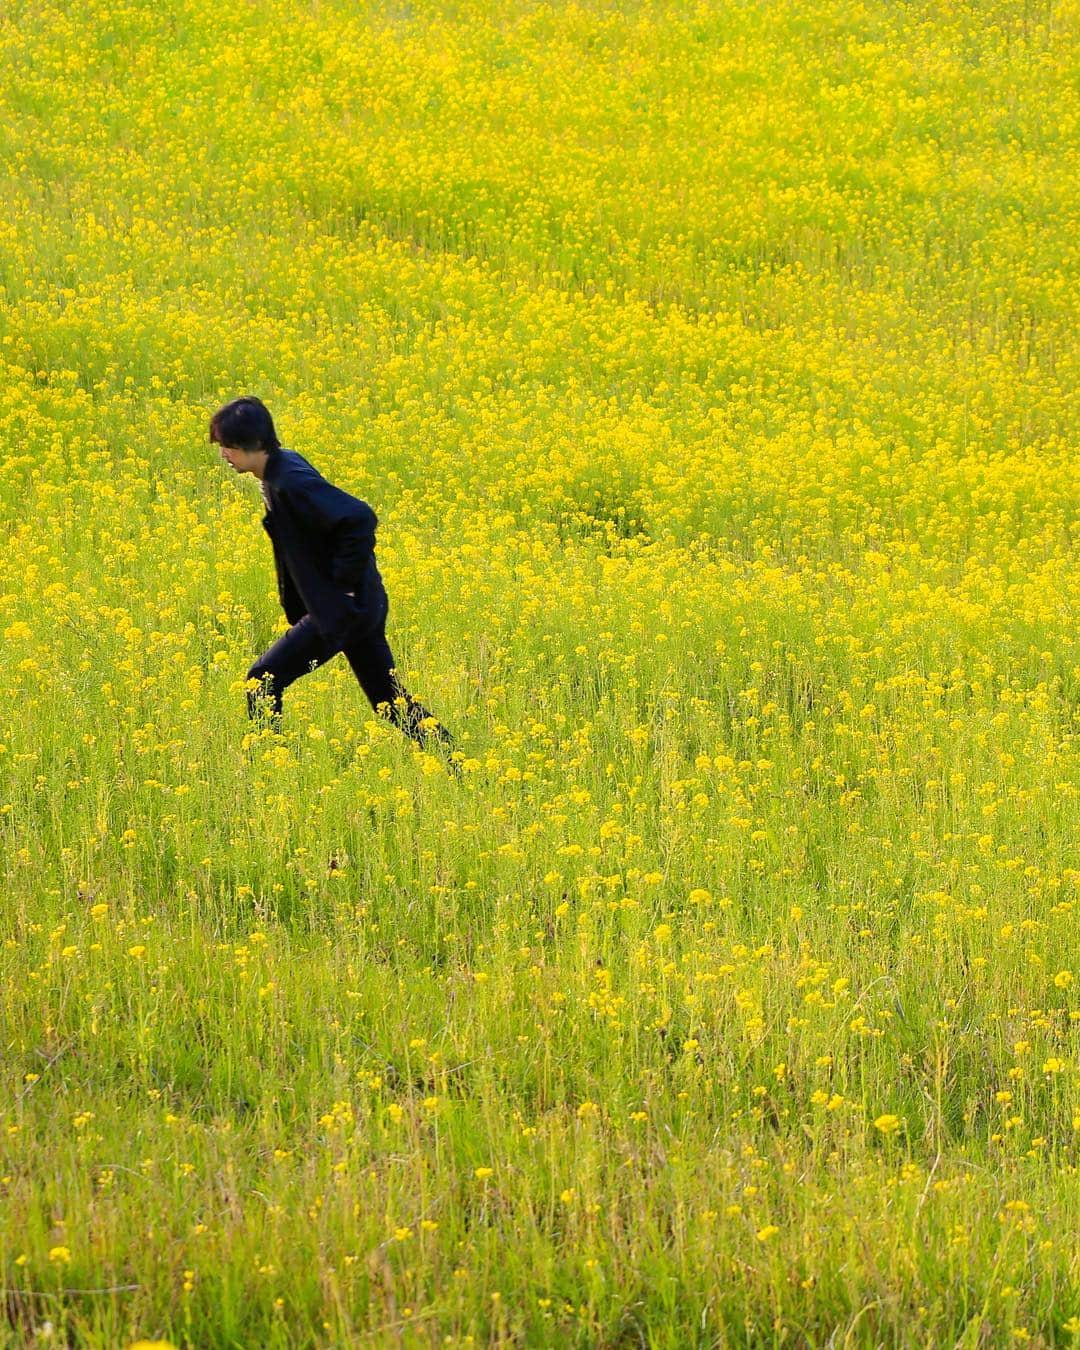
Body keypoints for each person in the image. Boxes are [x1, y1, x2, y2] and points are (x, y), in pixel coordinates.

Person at [209, 395, 455, 759]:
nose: (224, 455)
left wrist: (342, 587)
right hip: (359, 606)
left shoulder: (289, 481)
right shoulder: (281, 470)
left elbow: (358, 518)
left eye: (228, 446)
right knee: (388, 700)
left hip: (342, 612)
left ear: (252, 445)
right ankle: (456, 762)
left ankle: (271, 766)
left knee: (262, 680)